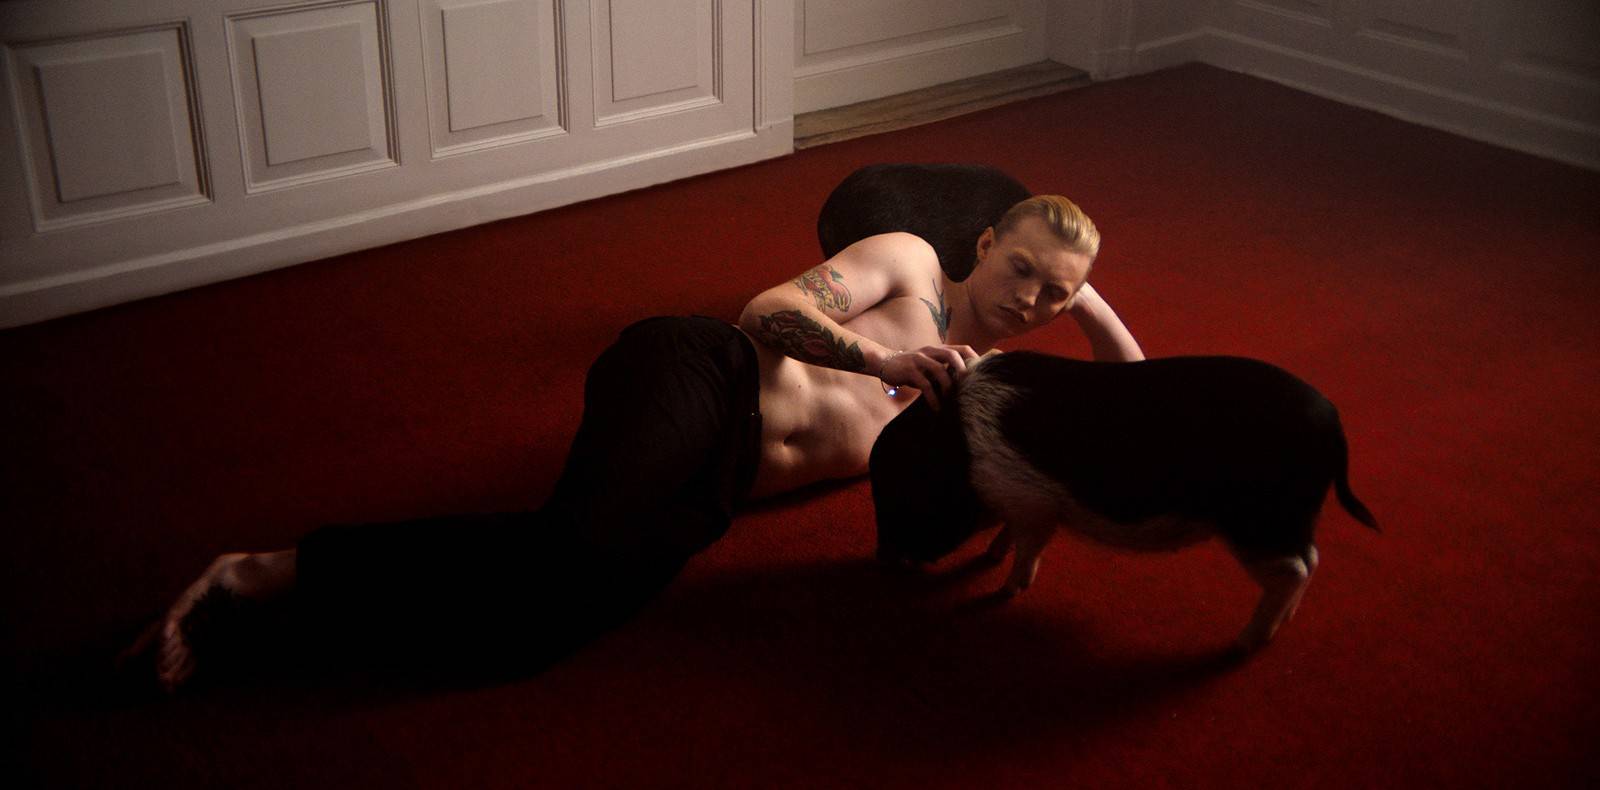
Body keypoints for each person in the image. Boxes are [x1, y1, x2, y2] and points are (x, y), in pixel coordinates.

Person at [125, 193, 1144, 691]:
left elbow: (1135, 403)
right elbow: (764, 312)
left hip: (713, 492)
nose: (1029, 298)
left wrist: (1087, 300)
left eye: (1052, 293)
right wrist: (883, 360)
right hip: (700, 374)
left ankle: (269, 625)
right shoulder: (913, 264)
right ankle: (256, 575)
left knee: (541, 628)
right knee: (568, 548)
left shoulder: (988, 389)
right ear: (983, 245)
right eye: (1020, 268)